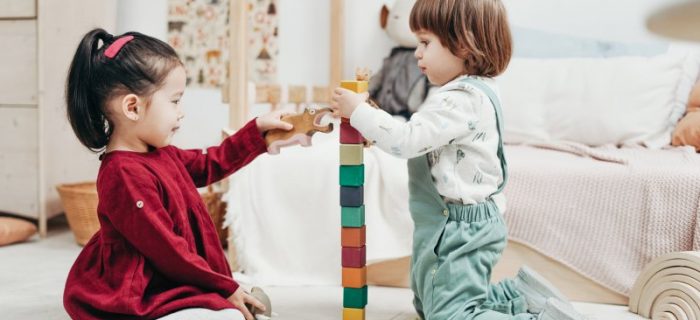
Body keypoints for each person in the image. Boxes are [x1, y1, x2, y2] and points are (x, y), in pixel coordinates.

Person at [332, 0, 584, 319]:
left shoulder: (459, 100)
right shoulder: (470, 92)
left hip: (460, 227)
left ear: (463, 45)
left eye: (425, 42)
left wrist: (358, 112)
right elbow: (422, 134)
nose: (416, 53)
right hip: (449, 223)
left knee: (450, 315)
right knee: (429, 304)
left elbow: (407, 141)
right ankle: (518, 296)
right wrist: (374, 122)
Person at [62, 28, 291, 320]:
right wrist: (224, 287)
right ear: (133, 107)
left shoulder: (160, 153)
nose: (181, 113)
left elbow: (210, 162)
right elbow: (167, 249)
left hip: (173, 269)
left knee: (234, 307)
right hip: (143, 286)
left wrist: (256, 130)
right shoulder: (123, 175)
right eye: (175, 101)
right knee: (226, 312)